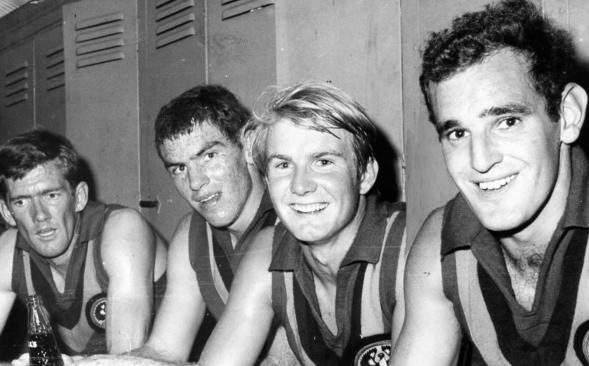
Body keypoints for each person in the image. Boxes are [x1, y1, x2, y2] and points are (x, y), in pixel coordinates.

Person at [391, 0, 589, 365]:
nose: (481, 160)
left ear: (568, 114)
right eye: (458, 133)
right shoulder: (440, 243)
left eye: (507, 122)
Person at [188, 81, 407, 366]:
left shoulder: (405, 247)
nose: (300, 186)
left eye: (323, 162)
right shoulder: (268, 254)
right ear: (267, 180)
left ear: (364, 174)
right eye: (283, 165)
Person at [74, 84, 292, 365]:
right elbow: (164, 351)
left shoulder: (294, 224)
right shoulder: (193, 233)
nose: (195, 183)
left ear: (248, 145)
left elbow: (280, 361)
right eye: (179, 168)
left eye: (209, 156)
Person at [0, 130, 167, 359]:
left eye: (51, 196)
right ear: (6, 213)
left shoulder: (121, 231)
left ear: (78, 197)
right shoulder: (9, 251)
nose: (39, 215)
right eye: (21, 202)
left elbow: (125, 361)